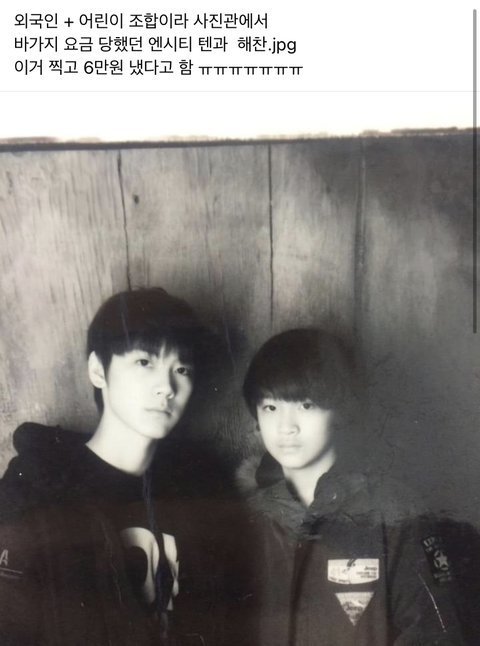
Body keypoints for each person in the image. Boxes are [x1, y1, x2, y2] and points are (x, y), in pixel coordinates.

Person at [0, 287, 216, 646]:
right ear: (98, 370)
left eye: (181, 368)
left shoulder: (200, 492)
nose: (166, 387)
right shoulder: (35, 491)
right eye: (144, 362)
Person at [239, 328, 469, 646]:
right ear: (256, 417)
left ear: (339, 409)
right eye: (271, 407)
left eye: (306, 405)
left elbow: (436, 634)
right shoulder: (245, 517)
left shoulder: (395, 512)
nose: (286, 427)